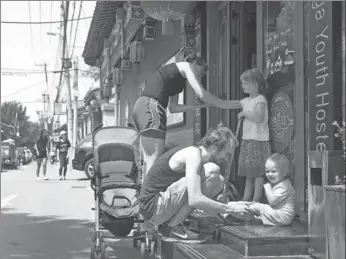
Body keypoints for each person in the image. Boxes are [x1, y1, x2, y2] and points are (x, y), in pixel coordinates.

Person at [132, 53, 250, 175]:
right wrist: (227, 104)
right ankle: (149, 193)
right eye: (202, 71)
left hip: (141, 107)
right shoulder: (186, 65)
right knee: (155, 156)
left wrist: (202, 106)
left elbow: (174, 108)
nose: (200, 76)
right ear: (195, 63)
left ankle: (144, 190)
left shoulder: (176, 80)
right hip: (151, 106)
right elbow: (201, 94)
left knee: (149, 158)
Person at [139, 124, 254, 243]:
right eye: (227, 154)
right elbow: (195, 199)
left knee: (218, 181)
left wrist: (222, 205)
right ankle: (172, 227)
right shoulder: (193, 154)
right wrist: (230, 209)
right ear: (215, 147)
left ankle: (172, 224)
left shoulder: (196, 154)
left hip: (156, 208)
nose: (226, 159)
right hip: (154, 207)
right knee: (212, 171)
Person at [225, 68, 271, 202]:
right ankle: (246, 199)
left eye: (245, 83)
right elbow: (228, 104)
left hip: (258, 141)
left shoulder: (260, 99)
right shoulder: (245, 101)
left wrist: (245, 114)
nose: (242, 86)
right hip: (247, 140)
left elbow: (259, 117)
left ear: (255, 83)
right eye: (242, 83)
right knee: (249, 173)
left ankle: (256, 200)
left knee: (258, 173)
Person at [245, 153, 296, 226]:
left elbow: (272, 201)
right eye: (267, 171)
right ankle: (247, 216)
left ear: (284, 172)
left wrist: (267, 188)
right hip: (280, 215)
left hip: (282, 216)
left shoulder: (284, 185)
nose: (269, 174)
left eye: (273, 171)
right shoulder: (280, 183)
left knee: (255, 206)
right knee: (256, 207)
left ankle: (234, 214)